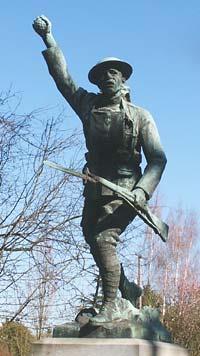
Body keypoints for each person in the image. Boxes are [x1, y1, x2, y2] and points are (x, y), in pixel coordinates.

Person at [33, 15, 167, 325]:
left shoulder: (141, 116)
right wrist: (49, 41)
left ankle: (110, 304)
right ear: (96, 82)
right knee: (90, 236)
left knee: (105, 238)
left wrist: (141, 191)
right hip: (94, 186)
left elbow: (158, 159)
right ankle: (124, 289)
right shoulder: (88, 105)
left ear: (123, 79)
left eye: (114, 72)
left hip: (126, 189)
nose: (109, 76)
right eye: (103, 74)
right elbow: (62, 78)